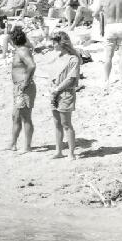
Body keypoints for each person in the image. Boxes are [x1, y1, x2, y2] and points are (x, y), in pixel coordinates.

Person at [48, 31, 81, 160]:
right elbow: (52, 74)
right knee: (57, 123)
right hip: (55, 92)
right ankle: (59, 151)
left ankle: (71, 153)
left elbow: (71, 79)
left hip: (66, 93)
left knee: (66, 123)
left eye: (54, 42)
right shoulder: (58, 57)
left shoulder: (73, 58)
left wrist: (57, 89)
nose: (52, 45)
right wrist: (52, 88)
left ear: (61, 43)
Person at [8, 26, 36, 154]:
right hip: (19, 87)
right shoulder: (21, 50)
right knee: (16, 116)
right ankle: (12, 144)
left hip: (23, 87)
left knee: (25, 117)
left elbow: (31, 65)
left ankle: (27, 147)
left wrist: (25, 82)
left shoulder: (22, 51)